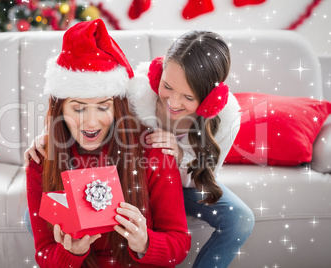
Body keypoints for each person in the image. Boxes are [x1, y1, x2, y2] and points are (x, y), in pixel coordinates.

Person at [25, 30, 254, 267]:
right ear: (158, 75)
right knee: (37, 214)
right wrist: (49, 138)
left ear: (210, 100)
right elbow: (85, 101)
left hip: (186, 180)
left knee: (240, 218)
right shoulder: (138, 91)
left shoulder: (225, 121)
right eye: (168, 87)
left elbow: (203, 179)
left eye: (188, 96)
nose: (173, 103)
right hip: (142, 168)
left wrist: (178, 157)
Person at [26, 19, 191, 268]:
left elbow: (178, 244)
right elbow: (44, 254)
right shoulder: (41, 160)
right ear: (60, 109)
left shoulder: (154, 152)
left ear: (117, 107)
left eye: (103, 107)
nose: (92, 122)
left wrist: (146, 242)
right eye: (79, 109)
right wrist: (72, 253)